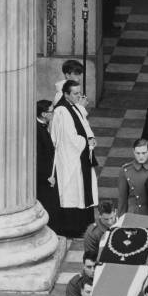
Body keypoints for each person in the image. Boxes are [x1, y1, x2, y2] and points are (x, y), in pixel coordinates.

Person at [51, 80, 98, 237]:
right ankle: (72, 228)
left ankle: (85, 224)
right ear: (66, 94)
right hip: (70, 158)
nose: (79, 96)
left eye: (80, 92)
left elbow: (83, 125)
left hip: (79, 156)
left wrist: (90, 137)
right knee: (72, 191)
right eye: (76, 93)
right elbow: (69, 138)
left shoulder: (74, 106)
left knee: (81, 190)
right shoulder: (62, 111)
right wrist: (87, 141)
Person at [117, 139, 148, 217]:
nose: (141, 156)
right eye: (138, 153)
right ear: (133, 151)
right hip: (134, 214)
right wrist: (120, 218)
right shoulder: (126, 170)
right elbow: (122, 199)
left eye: (144, 153)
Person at [36, 100, 61, 234]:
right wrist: (47, 177)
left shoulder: (43, 126)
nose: (54, 114)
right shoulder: (37, 130)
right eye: (52, 111)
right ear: (44, 114)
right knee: (48, 205)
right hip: (43, 177)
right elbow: (39, 158)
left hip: (47, 174)